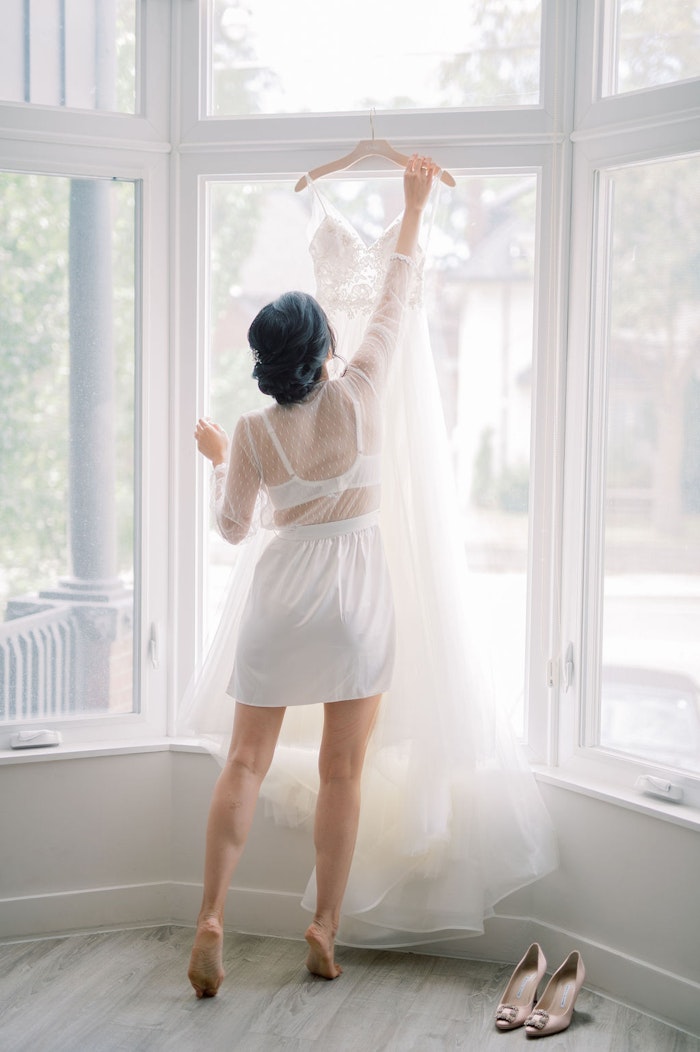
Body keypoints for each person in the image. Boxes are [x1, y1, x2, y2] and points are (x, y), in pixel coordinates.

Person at [187, 155, 438, 998]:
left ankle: (212, 916)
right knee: (342, 772)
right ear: (327, 347)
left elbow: (230, 530)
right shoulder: (362, 391)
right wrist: (412, 207)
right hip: (355, 603)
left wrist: (220, 459)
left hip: (281, 597)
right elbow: (397, 295)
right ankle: (324, 929)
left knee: (246, 763)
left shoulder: (255, 433)